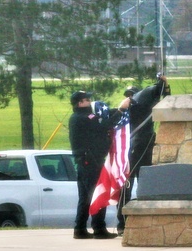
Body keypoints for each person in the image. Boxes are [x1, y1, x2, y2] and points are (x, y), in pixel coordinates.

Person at [69, 90, 128, 239]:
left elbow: (101, 122)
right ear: (80, 103)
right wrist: (121, 110)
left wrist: (116, 110)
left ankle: (80, 228)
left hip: (85, 161)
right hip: (91, 162)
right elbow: (104, 126)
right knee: (96, 193)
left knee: (85, 197)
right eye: (87, 100)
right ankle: (99, 228)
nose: (90, 102)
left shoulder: (78, 117)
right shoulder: (84, 118)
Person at [116, 75, 168, 233]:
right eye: (128, 96)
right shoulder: (124, 112)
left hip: (142, 148)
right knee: (127, 187)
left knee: (145, 186)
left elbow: (157, 93)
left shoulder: (141, 107)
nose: (130, 98)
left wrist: (162, 83)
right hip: (131, 151)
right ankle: (122, 223)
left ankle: (142, 220)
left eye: (132, 95)